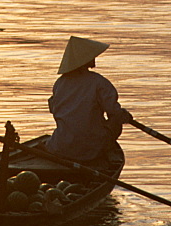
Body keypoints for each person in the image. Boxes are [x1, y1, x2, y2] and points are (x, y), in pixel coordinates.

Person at [44, 36, 133, 169]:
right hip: (91, 148)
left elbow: (54, 108)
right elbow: (114, 112)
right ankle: (103, 151)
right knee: (116, 122)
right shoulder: (99, 83)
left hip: (60, 146)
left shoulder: (60, 83)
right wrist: (124, 116)